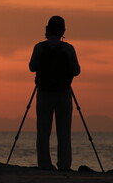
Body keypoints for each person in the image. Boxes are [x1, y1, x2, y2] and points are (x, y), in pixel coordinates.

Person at [29, 16, 80, 171]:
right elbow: (76, 71)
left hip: (44, 93)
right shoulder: (68, 49)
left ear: (47, 29)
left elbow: (32, 67)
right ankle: (64, 165)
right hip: (63, 93)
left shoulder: (39, 48)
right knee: (64, 131)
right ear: (63, 31)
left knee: (43, 131)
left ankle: (44, 164)